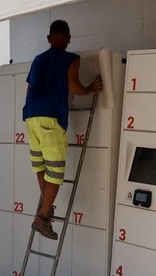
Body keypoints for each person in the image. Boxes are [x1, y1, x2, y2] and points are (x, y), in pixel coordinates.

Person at [23, 20, 102, 239]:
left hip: (30, 116)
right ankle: (43, 216)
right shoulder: (70, 58)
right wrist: (90, 90)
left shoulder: (38, 60)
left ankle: (45, 212)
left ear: (48, 39)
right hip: (51, 117)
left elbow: (30, 88)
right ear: (68, 39)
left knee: (39, 165)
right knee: (56, 173)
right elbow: (74, 87)